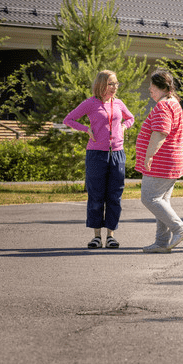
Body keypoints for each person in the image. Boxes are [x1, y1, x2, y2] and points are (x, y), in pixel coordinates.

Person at [64, 70, 134, 249]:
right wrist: (86, 129)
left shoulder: (118, 103)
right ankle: (96, 236)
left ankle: (111, 235)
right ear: (101, 85)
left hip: (117, 153)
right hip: (96, 154)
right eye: (111, 84)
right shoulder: (90, 103)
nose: (115, 87)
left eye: (116, 83)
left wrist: (124, 127)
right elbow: (69, 119)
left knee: (115, 195)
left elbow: (131, 118)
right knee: (96, 195)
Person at [136, 69, 183, 253]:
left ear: (161, 87)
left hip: (161, 163)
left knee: (149, 198)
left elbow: (160, 132)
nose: (150, 89)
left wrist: (149, 155)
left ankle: (179, 229)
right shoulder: (173, 103)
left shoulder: (162, 106)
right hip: (172, 162)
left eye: (152, 85)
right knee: (162, 202)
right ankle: (162, 242)